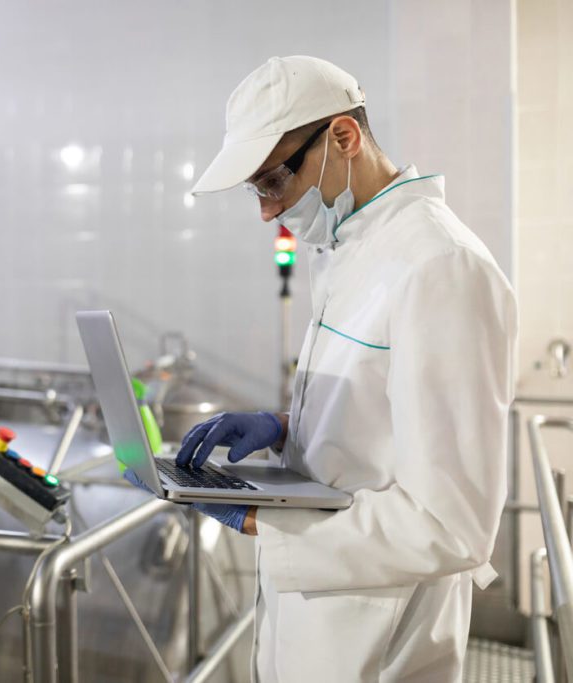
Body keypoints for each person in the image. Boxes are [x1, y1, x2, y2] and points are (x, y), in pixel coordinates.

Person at [128, 56, 517, 681]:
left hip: (380, 631)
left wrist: (262, 523)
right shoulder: (352, 246)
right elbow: (389, 408)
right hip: (323, 615)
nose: (266, 212)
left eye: (272, 181)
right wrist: (287, 427)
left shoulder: (441, 265)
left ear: (343, 137)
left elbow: (454, 523)